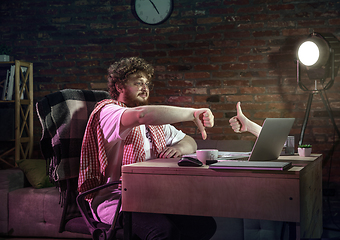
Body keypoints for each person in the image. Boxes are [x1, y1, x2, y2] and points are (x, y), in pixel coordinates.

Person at [78, 57, 216, 240]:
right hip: (115, 198)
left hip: (151, 195)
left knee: (204, 225)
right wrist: (193, 113)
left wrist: (180, 148)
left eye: (146, 83)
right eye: (138, 83)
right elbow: (142, 115)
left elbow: (190, 141)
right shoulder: (109, 112)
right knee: (162, 231)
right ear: (119, 87)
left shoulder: (155, 124)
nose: (145, 87)